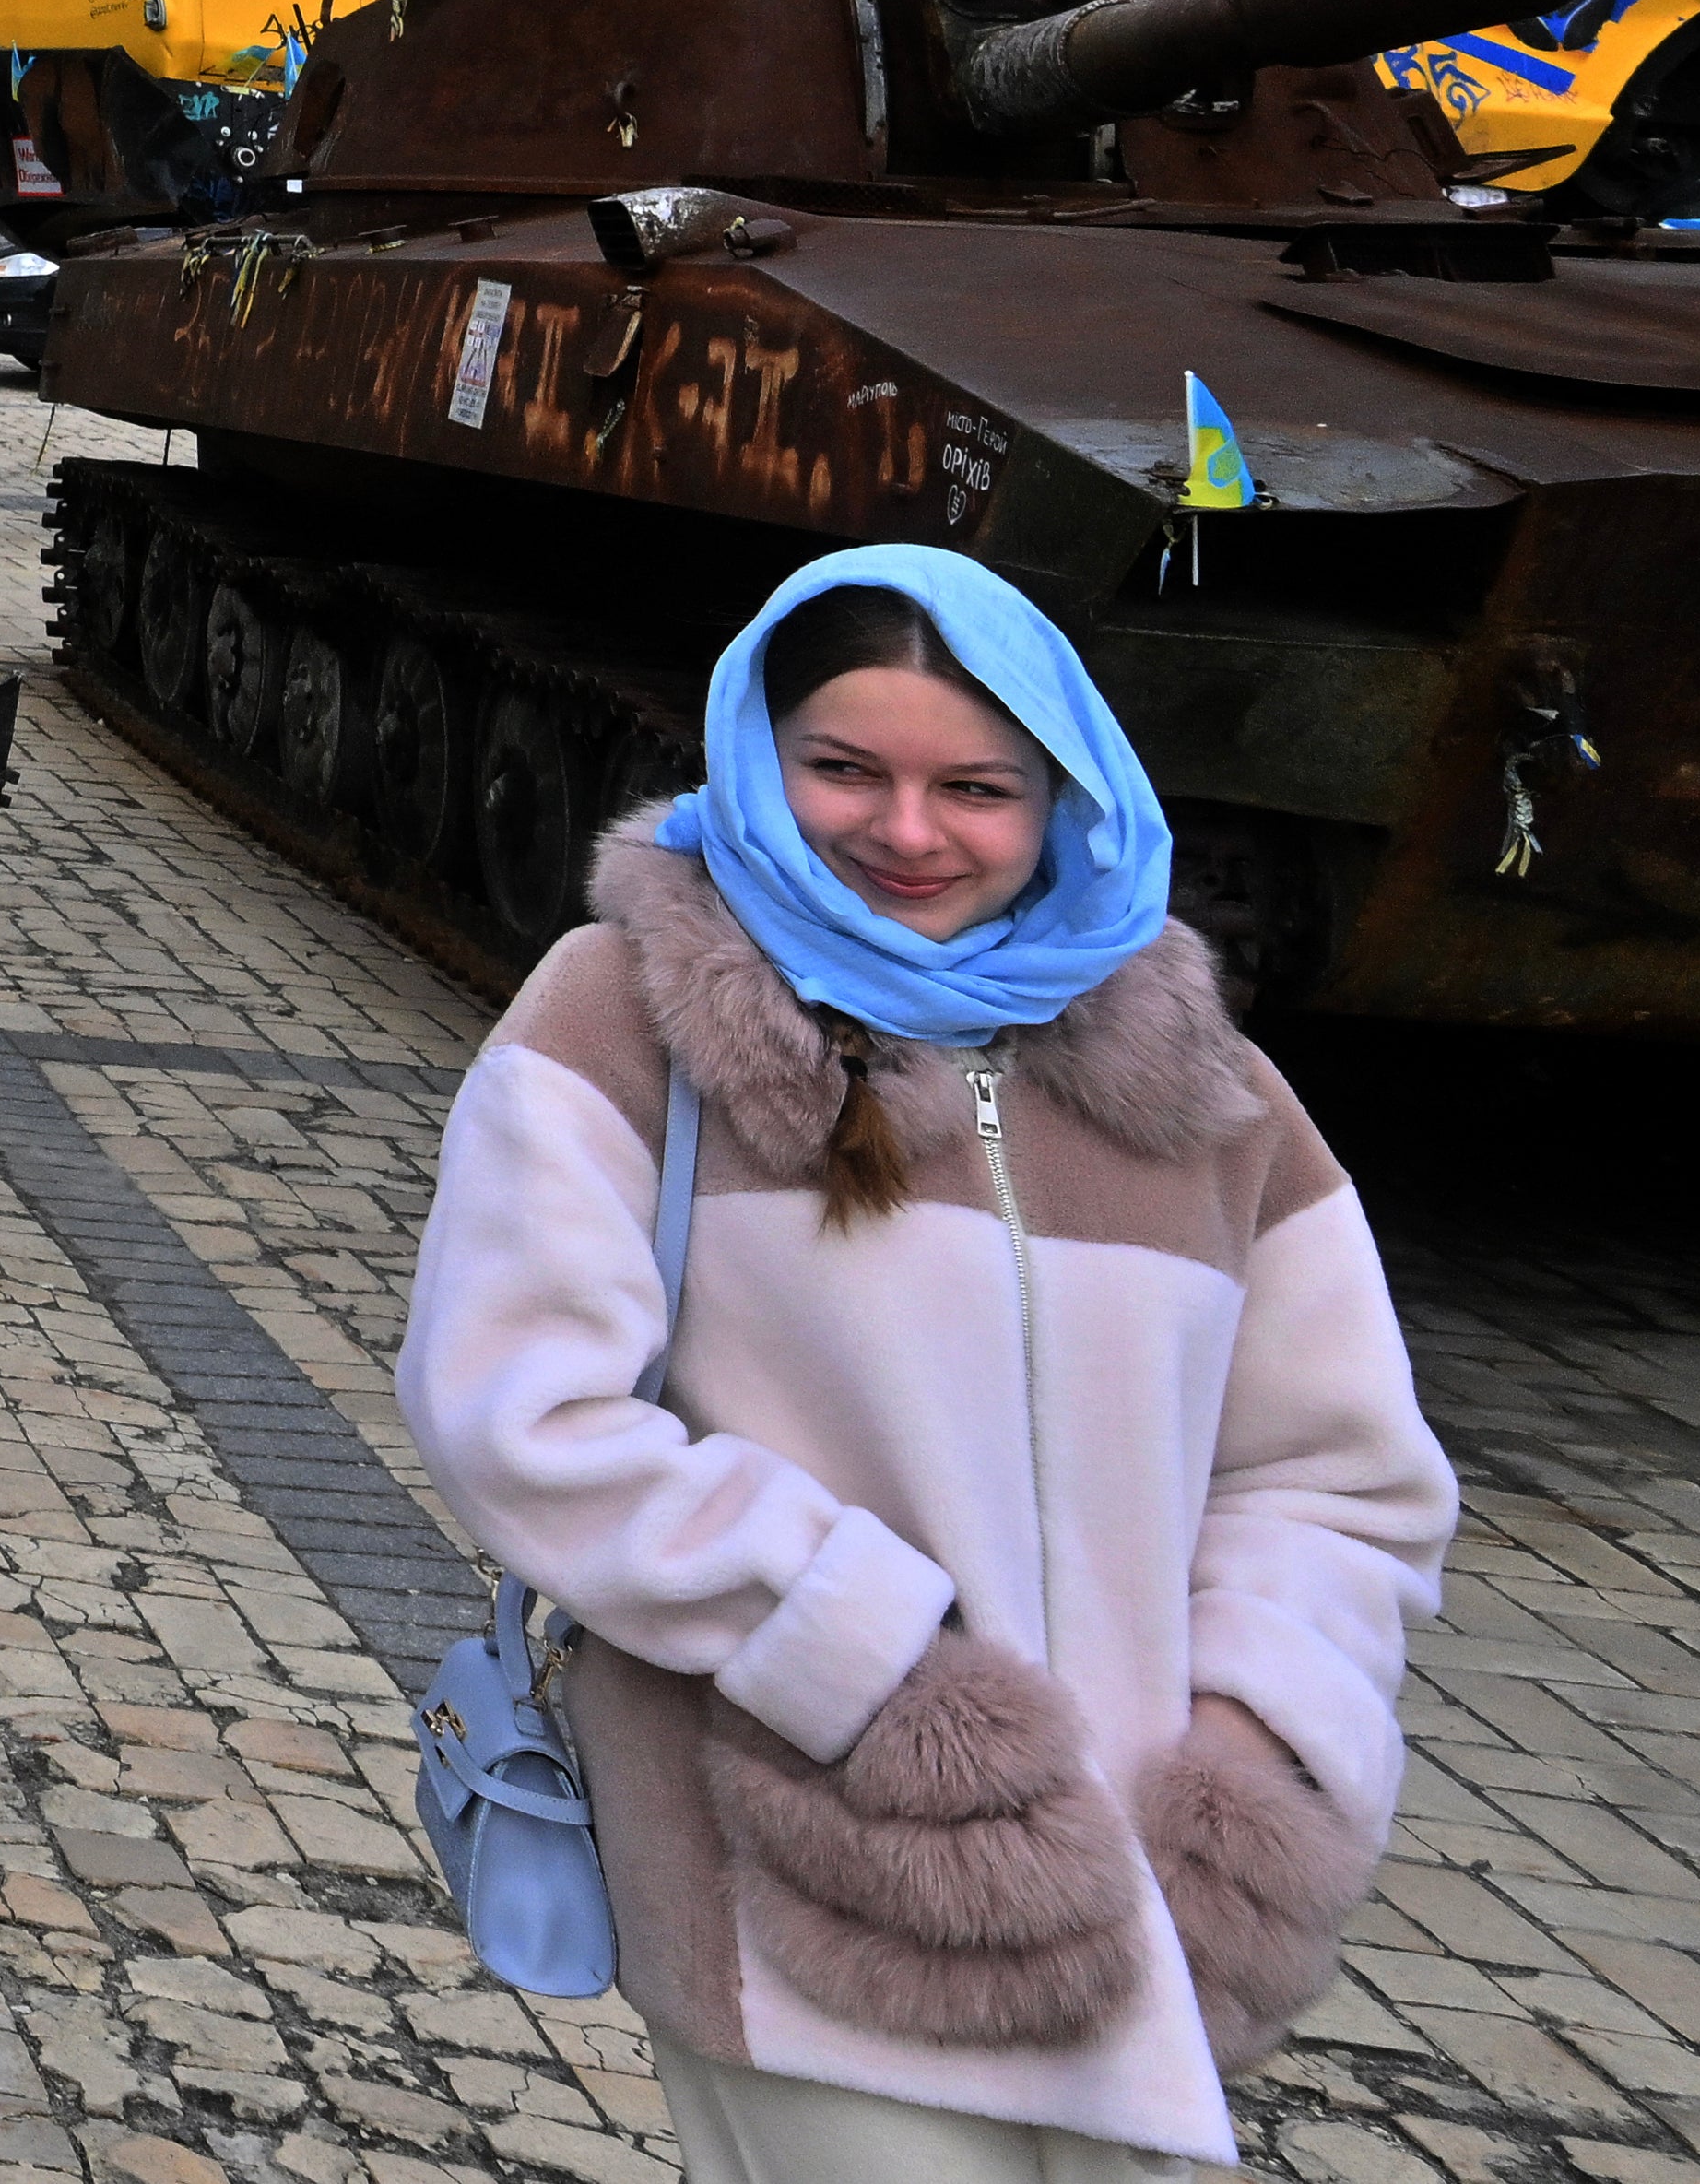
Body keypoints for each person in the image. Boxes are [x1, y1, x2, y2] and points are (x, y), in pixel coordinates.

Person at [402, 546, 1458, 2179]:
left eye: (973, 784)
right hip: (804, 1845)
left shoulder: (1205, 1092)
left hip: (1141, 1887)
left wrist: (1257, 1741)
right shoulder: (621, 1014)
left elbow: (1333, 1470)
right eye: (841, 767)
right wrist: (861, 1660)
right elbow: (521, 1412)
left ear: (1061, 794)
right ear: (756, 759)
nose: (904, 831)